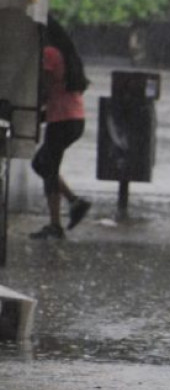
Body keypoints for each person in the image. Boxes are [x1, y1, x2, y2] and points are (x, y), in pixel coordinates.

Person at [29, 16, 92, 240]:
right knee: (42, 164)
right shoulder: (67, 53)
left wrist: (32, 107)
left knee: (47, 166)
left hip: (61, 120)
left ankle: (55, 225)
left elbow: (44, 89)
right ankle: (75, 202)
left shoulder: (50, 54)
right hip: (74, 119)